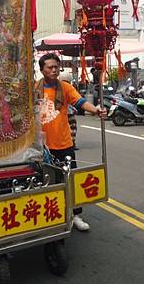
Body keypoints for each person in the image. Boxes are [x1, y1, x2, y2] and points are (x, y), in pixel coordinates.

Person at [35, 53, 106, 232]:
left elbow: (80, 102)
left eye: (56, 67)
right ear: (42, 69)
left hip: (64, 143)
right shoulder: (34, 88)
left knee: (69, 181)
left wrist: (96, 110)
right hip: (41, 147)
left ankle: (75, 215)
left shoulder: (65, 87)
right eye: (49, 67)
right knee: (46, 182)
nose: (53, 70)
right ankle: (51, 214)